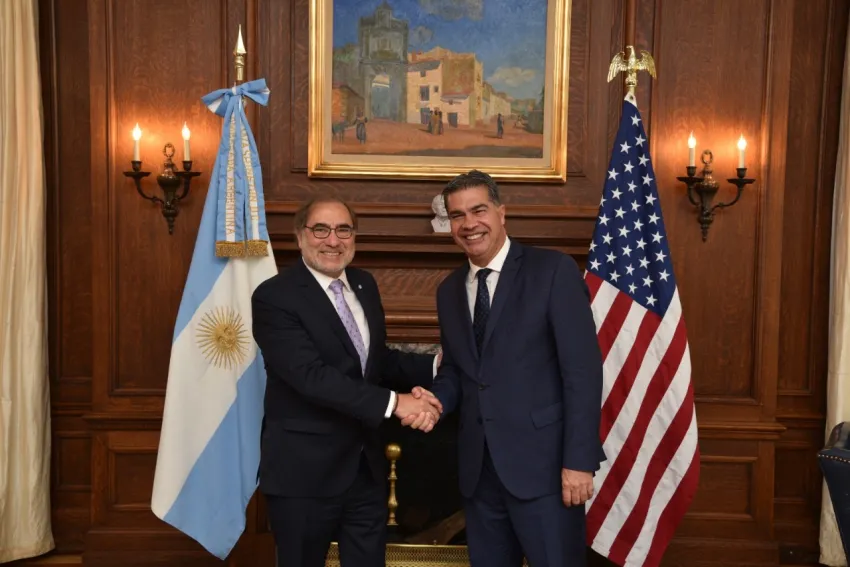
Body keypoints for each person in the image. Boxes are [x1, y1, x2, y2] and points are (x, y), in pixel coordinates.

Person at [406, 170, 605, 566]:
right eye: (457, 215)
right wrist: (435, 400)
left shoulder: (552, 270)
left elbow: (582, 372)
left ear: (500, 213)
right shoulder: (449, 291)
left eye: (478, 210)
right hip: (479, 474)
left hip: (547, 470)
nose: (469, 223)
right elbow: (459, 371)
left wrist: (579, 461)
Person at [251, 196, 443, 567]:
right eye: (321, 230)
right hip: (303, 473)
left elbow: (375, 361)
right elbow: (311, 377)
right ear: (300, 236)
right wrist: (396, 402)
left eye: (343, 230)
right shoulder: (274, 296)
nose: (333, 240)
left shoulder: (363, 284)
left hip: (364, 468)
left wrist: (435, 365)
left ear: (353, 237)